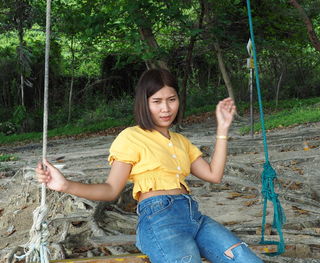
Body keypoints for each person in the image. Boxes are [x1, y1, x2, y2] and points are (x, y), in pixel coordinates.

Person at [36, 69, 263, 263]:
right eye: (157, 101)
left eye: (171, 99)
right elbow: (111, 189)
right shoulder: (131, 137)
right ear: (144, 103)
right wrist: (65, 185)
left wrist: (222, 129)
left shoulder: (181, 142)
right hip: (160, 219)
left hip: (194, 216)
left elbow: (214, 175)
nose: (166, 109)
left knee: (245, 257)